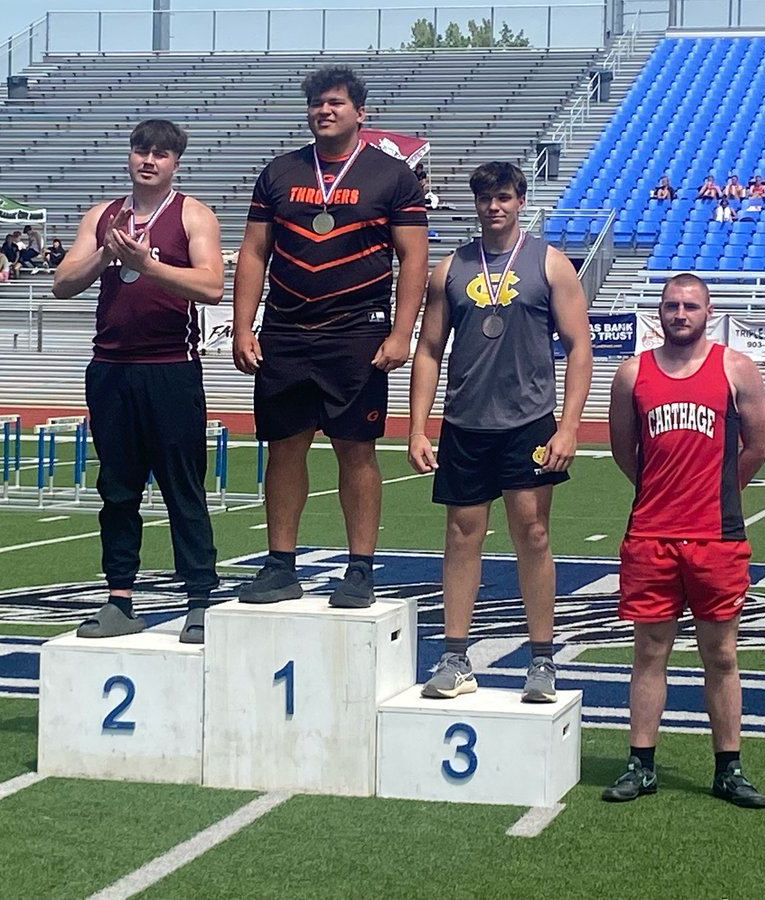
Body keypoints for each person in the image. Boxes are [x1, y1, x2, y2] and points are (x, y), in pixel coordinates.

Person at [232, 66, 428, 608]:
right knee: (284, 447)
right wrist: (243, 325)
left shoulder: (392, 176)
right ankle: (279, 565)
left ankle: (360, 567)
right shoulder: (279, 171)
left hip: (356, 332)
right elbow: (253, 251)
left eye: (336, 103)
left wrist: (401, 331)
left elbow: (413, 258)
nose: (325, 110)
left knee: (356, 450)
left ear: (360, 113)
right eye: (317, 103)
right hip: (286, 330)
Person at [408, 162, 593, 702]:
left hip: (529, 422)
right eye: (486, 198)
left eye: (505, 197)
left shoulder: (551, 264)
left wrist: (569, 426)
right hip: (466, 423)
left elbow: (580, 347)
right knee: (461, 536)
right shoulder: (451, 268)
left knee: (533, 535)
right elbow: (428, 350)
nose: (495, 206)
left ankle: (541, 660)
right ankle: (455, 655)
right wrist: (418, 428)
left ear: (520, 201)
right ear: (475, 203)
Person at [602, 273, 765, 809]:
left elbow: (758, 447)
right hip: (651, 534)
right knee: (649, 652)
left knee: (721, 655)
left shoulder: (736, 368)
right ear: (660, 311)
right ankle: (641, 764)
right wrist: (663, 493)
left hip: (716, 538)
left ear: (708, 311)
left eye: (690, 306)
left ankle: (729, 767)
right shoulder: (633, 373)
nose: (680, 313)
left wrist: (717, 494)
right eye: (672, 305)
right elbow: (623, 452)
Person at [53, 118, 224, 642]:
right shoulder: (102, 217)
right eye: (141, 151)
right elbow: (62, 283)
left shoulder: (192, 215)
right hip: (111, 370)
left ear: (175, 163)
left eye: (160, 154)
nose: (149, 161)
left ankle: (199, 598)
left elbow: (212, 286)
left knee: (182, 487)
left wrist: (148, 266)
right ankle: (120, 597)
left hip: (170, 367)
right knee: (118, 488)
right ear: (129, 156)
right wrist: (108, 253)